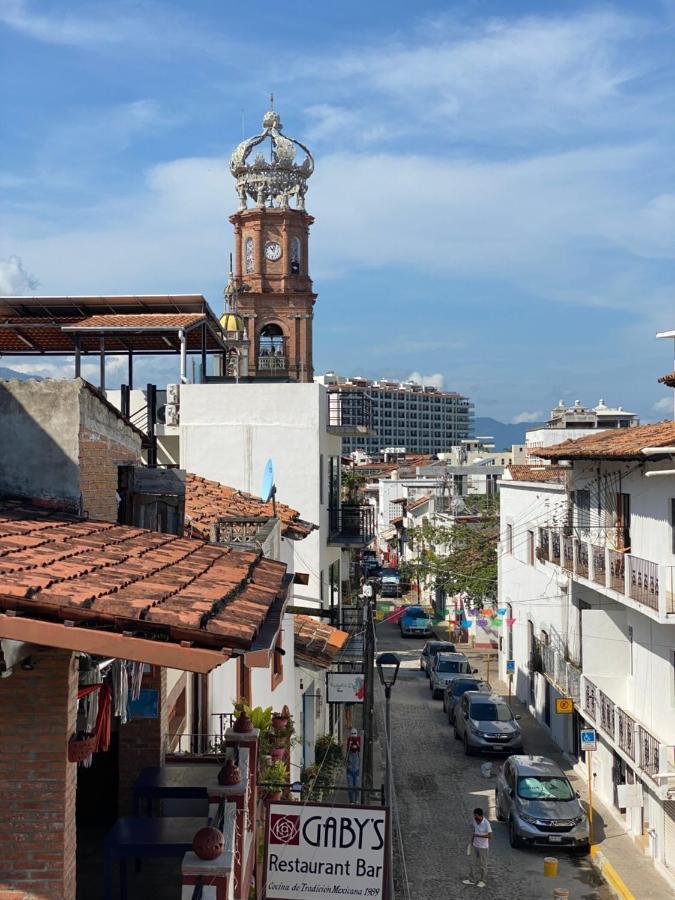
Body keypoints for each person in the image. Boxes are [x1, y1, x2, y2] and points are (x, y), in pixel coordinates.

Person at [463, 807, 492, 888]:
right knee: (473, 863)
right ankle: (471, 879)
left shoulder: (486, 823)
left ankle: (483, 880)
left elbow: (490, 836)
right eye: (474, 816)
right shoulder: (475, 821)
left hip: (483, 847)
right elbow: (474, 831)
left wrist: (479, 836)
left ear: (480, 815)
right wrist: (471, 841)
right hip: (475, 845)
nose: (475, 818)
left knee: (483, 865)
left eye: (476, 816)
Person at [345, 729, 361, 803]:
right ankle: (351, 801)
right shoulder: (349, 751)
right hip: (350, 771)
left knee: (356, 786)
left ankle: (357, 800)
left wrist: (357, 744)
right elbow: (347, 755)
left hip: (356, 770)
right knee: (350, 786)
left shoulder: (357, 752)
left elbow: (359, 750)